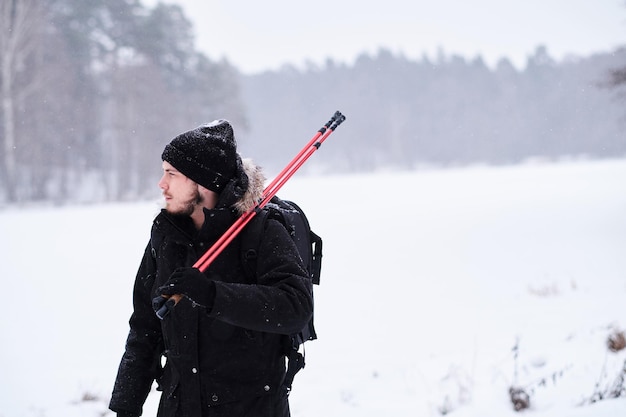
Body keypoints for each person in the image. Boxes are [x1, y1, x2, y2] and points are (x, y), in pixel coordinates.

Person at [109, 119, 314, 417]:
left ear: (202, 182)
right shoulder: (167, 236)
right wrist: (126, 405)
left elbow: (295, 307)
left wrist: (213, 295)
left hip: (250, 408)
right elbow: (145, 326)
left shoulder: (261, 232)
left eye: (171, 173)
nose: (161, 183)